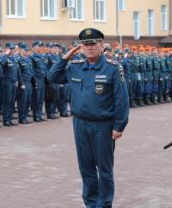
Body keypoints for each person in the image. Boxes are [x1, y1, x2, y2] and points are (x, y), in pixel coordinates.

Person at [48, 28, 129, 208]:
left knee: (104, 170)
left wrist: (119, 126)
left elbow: (121, 99)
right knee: (86, 169)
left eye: (93, 44)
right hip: (80, 124)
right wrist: (66, 57)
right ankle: (91, 204)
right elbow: (52, 76)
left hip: (103, 126)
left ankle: (104, 204)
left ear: (101, 44)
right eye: (85, 44)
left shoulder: (113, 68)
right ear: (80, 46)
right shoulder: (75, 66)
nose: (89, 47)